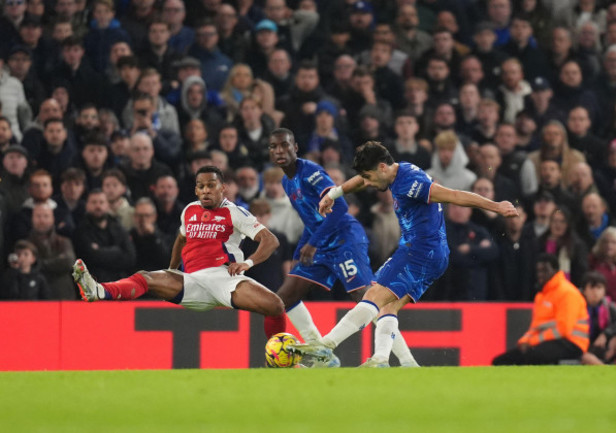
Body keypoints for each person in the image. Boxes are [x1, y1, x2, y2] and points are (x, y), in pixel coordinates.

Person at [289, 140, 517, 367]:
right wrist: (335, 193)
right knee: (388, 306)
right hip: (431, 254)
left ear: (381, 168)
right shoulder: (394, 171)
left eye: (369, 176)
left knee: (372, 297)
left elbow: (455, 195)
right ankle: (392, 361)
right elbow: (361, 180)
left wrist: (496, 206)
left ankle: (325, 345)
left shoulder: (412, 182)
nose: (367, 182)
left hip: (420, 251)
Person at [266, 129, 420, 368]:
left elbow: (339, 207)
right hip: (321, 242)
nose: (279, 151)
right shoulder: (287, 182)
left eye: (284, 146)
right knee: (285, 297)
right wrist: (303, 250)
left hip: (344, 239)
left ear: (295, 148)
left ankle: (407, 361)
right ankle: (323, 356)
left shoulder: (311, 172)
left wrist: (312, 243)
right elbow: (311, 219)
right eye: (274, 147)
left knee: (366, 298)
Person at [72, 166, 285, 331]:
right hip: (192, 280)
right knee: (146, 277)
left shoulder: (235, 212)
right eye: (201, 186)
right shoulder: (189, 210)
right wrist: (172, 269)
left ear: (223, 188)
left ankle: (276, 361)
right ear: (196, 189)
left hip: (223, 277)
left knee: (275, 306)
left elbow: (270, 240)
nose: (206, 191)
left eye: (211, 185)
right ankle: (98, 291)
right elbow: (181, 239)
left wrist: (247, 263)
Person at [492, 254, 590, 365]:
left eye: (545, 270)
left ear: (555, 270)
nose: (540, 275)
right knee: (500, 361)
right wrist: (524, 340)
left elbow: (563, 329)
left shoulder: (567, 293)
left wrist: (533, 341)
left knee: (532, 355)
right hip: (548, 341)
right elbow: (536, 326)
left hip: (572, 342)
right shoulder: (541, 295)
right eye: (538, 271)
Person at [580, 271, 616, 365]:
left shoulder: (607, 306)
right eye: (591, 288)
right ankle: (609, 374)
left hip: (604, 348)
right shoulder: (577, 304)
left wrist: (607, 334)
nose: (595, 292)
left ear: (604, 291)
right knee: (587, 359)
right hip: (583, 350)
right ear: (584, 290)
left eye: (599, 288)